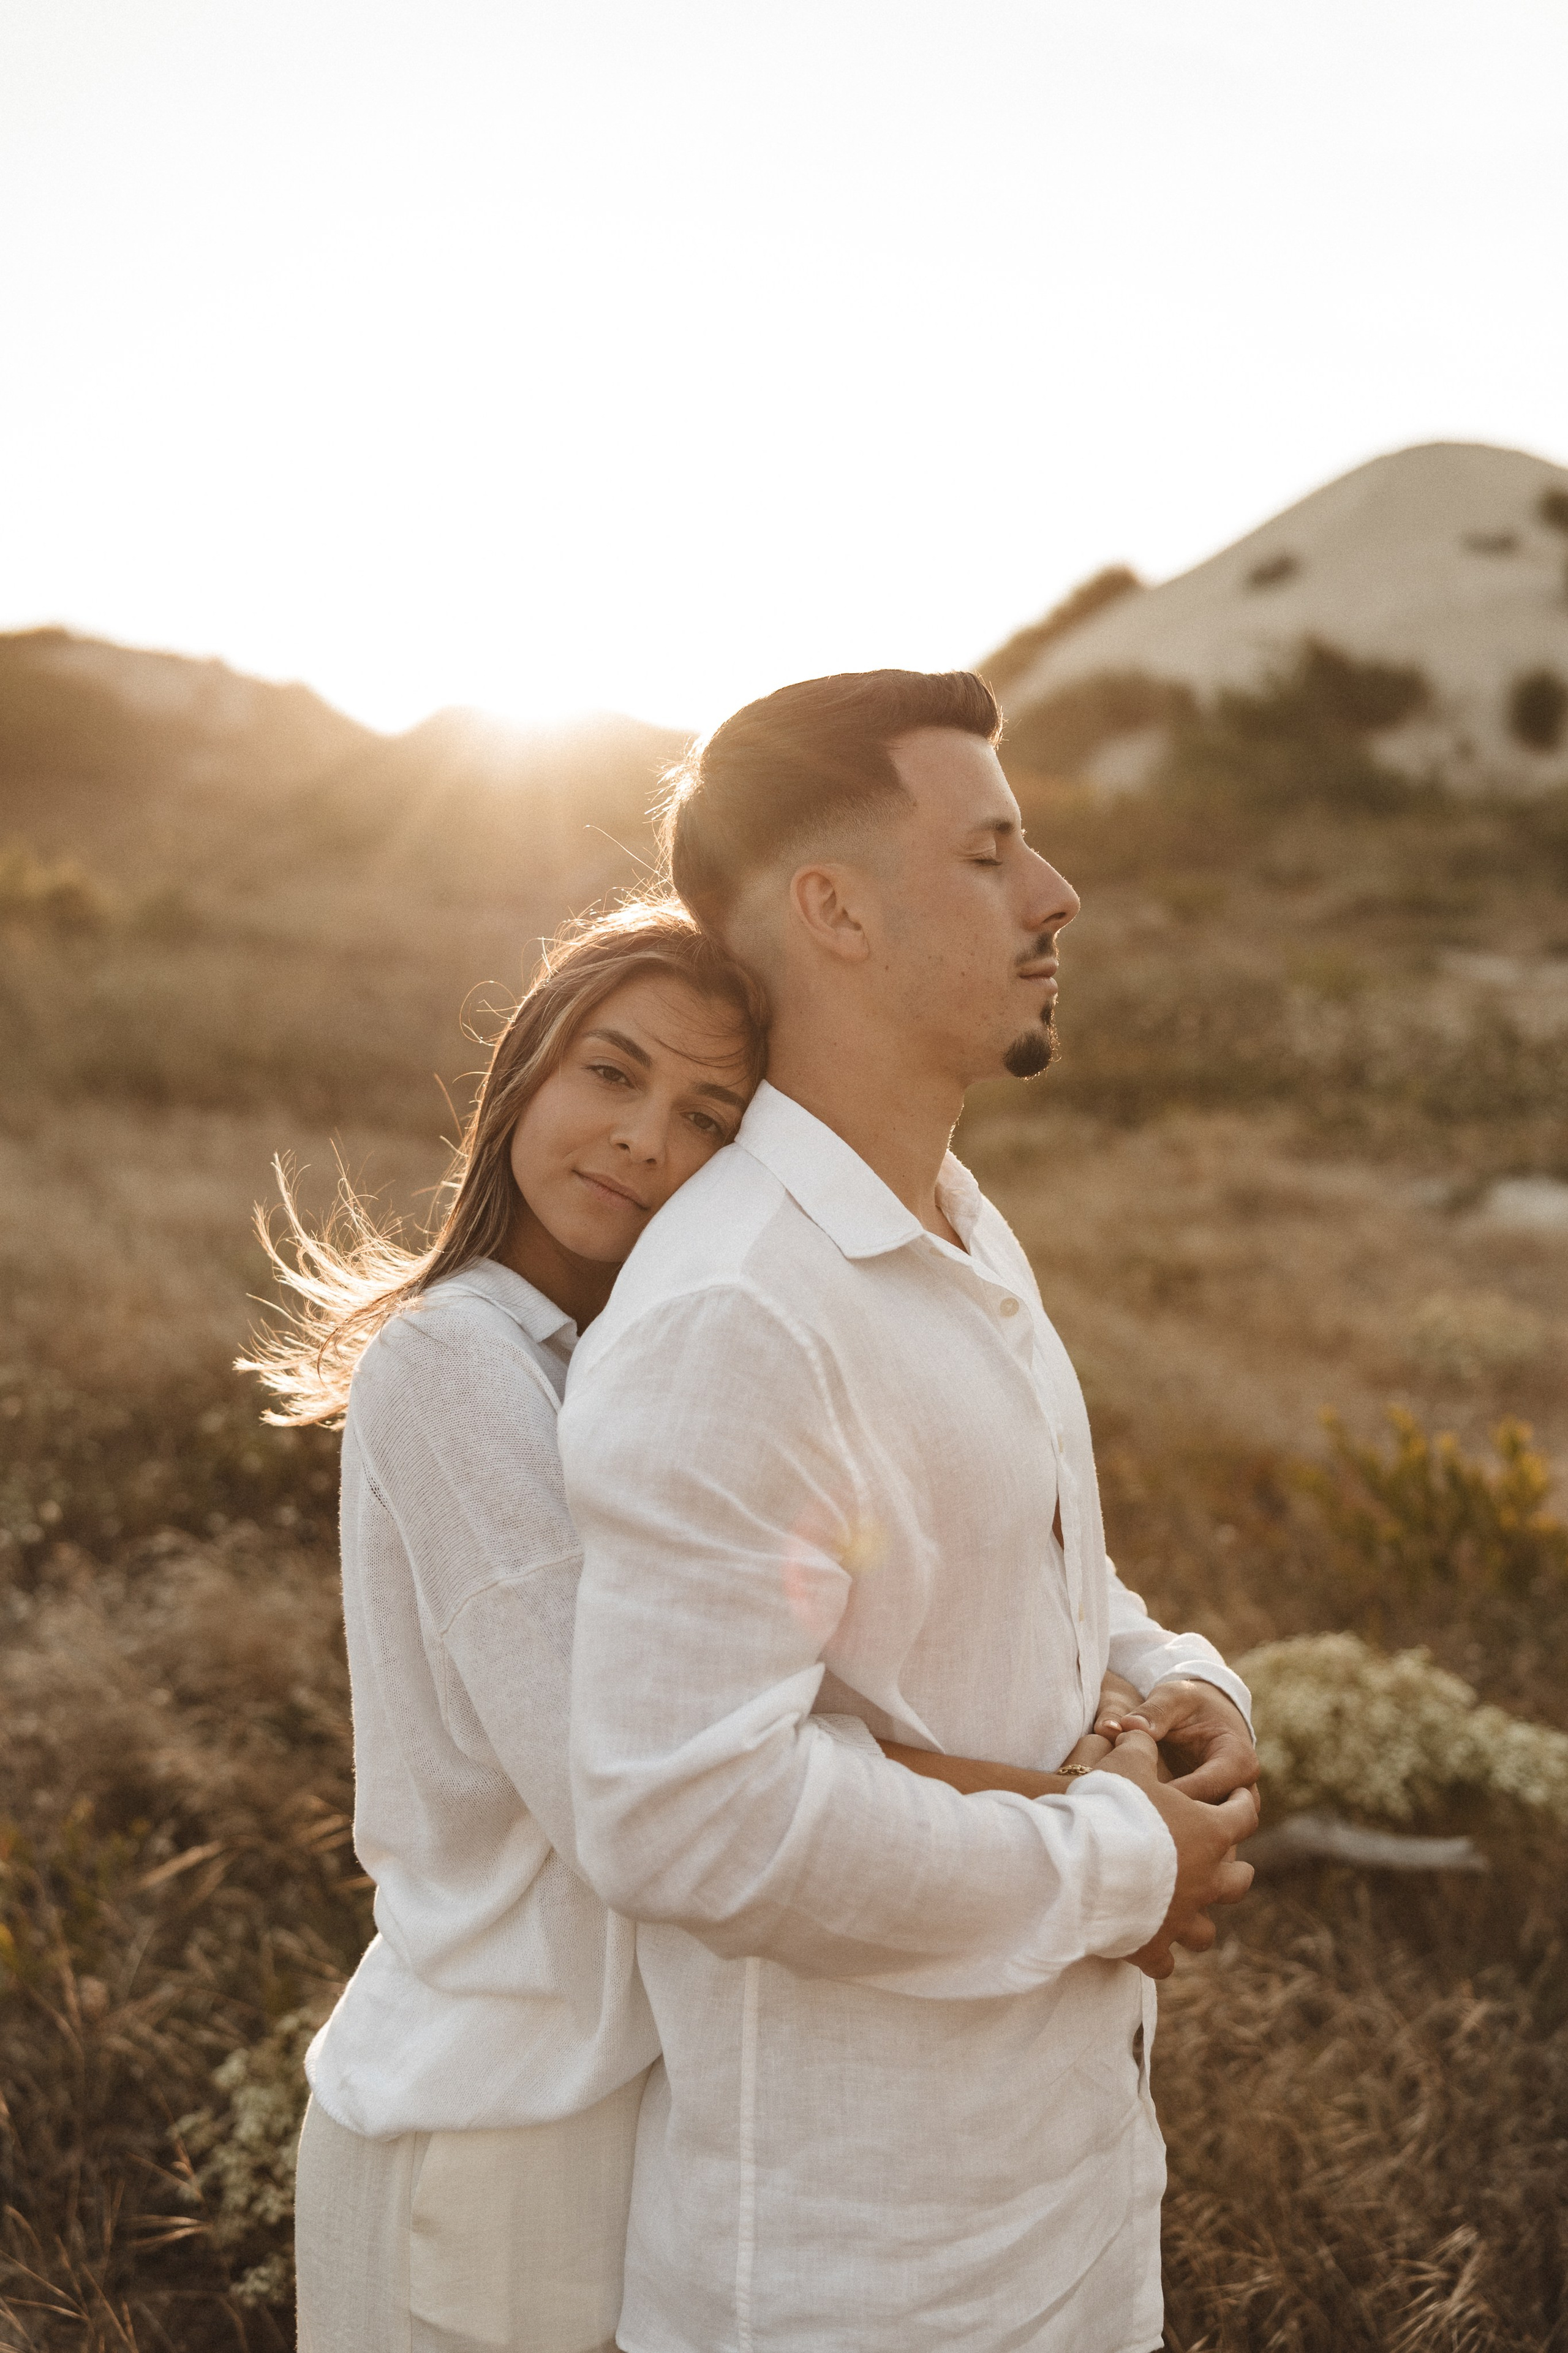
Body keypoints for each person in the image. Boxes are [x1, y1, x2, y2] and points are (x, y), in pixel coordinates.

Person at [251, 897, 1134, 2352]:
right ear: (524, 1069)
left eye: (708, 1113)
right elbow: (636, 1783)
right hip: (487, 2128)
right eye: (610, 1071)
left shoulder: (630, 1361)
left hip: (628, 2109)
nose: (643, 1139)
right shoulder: (454, 1364)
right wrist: (1090, 1817)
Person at [560, 670, 1262, 2353]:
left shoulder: (949, 1213)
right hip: (860, 2286)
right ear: (836, 911)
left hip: (1066, 2215)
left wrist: (1180, 1676)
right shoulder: (738, 1306)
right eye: (994, 851)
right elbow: (688, 1818)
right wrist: (1118, 1861)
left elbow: (1018, 1555)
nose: (1056, 894)